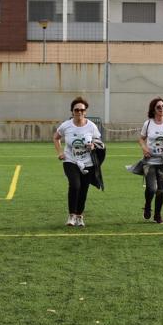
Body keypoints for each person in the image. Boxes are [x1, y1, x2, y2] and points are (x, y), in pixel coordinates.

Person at [53, 96, 103, 227]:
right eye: (76, 110)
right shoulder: (66, 125)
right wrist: (60, 152)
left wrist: (93, 145)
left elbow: (99, 141)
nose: (79, 112)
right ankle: (71, 215)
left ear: (85, 111)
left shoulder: (91, 126)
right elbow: (56, 137)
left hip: (88, 163)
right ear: (72, 111)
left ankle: (80, 216)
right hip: (70, 161)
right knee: (75, 185)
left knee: (83, 189)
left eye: (82, 110)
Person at [134, 97, 163, 224]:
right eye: (159, 107)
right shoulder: (148, 123)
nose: (162, 109)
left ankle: (158, 215)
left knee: (161, 189)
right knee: (151, 188)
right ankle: (148, 205)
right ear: (153, 109)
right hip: (150, 160)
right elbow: (141, 139)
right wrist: (144, 148)